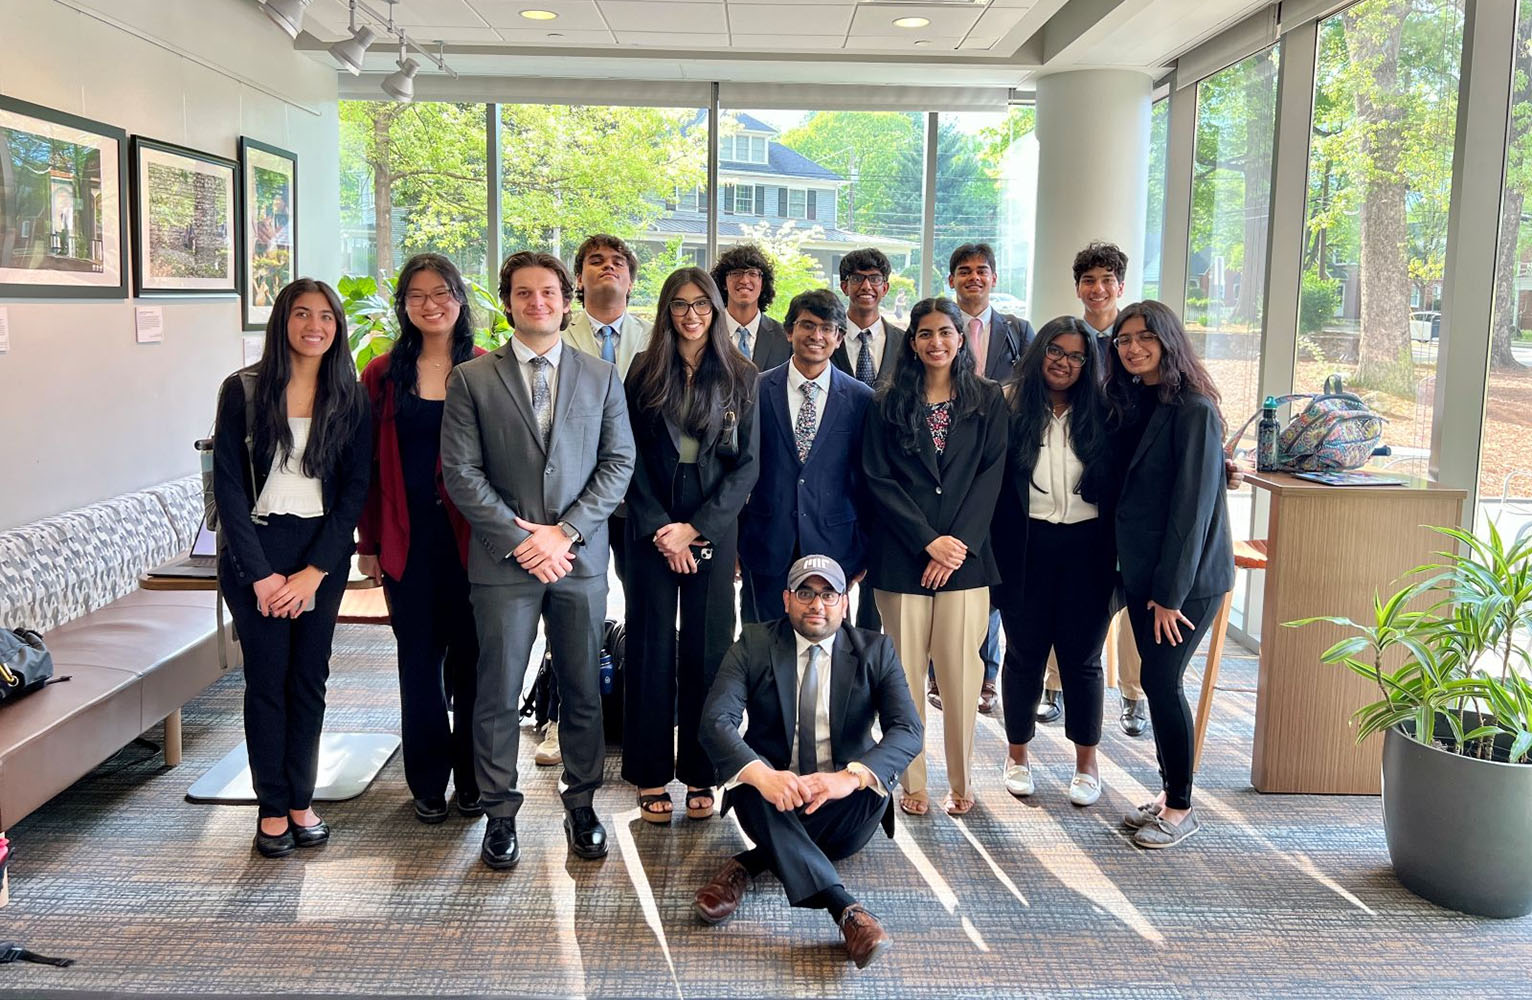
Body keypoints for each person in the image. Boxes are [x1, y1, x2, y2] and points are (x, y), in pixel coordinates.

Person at [441, 250, 635, 870]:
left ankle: (581, 802)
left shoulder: (601, 377)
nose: (538, 303)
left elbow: (618, 464)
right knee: (497, 690)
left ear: (567, 299)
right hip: (503, 563)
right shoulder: (472, 379)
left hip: (577, 560)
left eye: (549, 293)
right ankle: (500, 814)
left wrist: (566, 532)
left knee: (581, 685)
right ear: (507, 302)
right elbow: (461, 473)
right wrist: (522, 539)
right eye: (524, 294)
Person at [695, 554, 923, 970]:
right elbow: (715, 722)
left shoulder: (877, 651)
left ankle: (750, 862)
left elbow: (908, 730)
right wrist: (764, 776)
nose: (816, 604)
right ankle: (846, 910)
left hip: (845, 811)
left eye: (828, 594)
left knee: (873, 784)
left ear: (844, 602)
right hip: (771, 797)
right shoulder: (754, 643)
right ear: (786, 600)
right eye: (804, 592)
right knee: (746, 778)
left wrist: (849, 779)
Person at [213, 278, 371, 858]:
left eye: (326, 316)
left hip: (318, 552)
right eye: (302, 314)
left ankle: (303, 800)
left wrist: (315, 572)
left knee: (309, 679)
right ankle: (271, 806)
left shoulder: (350, 396)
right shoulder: (245, 391)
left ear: (337, 327)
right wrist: (261, 576)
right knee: (267, 680)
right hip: (255, 549)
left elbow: (355, 491)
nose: (315, 326)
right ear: (282, 322)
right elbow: (228, 489)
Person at [623, 266, 760, 824]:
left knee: (709, 649)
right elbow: (623, 452)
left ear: (716, 308)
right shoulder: (642, 369)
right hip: (652, 520)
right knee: (651, 645)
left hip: (712, 522)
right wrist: (662, 527)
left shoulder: (742, 374)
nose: (691, 314)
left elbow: (747, 466)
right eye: (679, 305)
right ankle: (650, 773)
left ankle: (703, 771)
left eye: (701, 304)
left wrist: (697, 528)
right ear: (665, 311)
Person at [861, 297, 1007, 816]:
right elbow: (877, 479)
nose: (937, 342)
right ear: (913, 342)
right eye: (925, 334)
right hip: (903, 558)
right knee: (904, 676)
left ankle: (963, 782)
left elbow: (992, 479)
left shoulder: (989, 400)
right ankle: (911, 783)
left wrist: (955, 544)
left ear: (961, 338)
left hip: (966, 563)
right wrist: (927, 540)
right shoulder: (887, 401)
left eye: (946, 332)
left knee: (960, 674)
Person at [357, 253, 485, 824]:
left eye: (441, 293)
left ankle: (475, 779)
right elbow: (363, 469)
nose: (430, 305)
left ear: (460, 299)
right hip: (407, 539)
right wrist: (369, 545)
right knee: (418, 666)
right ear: (403, 306)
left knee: (476, 665)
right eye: (417, 295)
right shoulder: (380, 375)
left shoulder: (487, 368)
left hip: (475, 543)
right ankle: (428, 780)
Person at [1104, 301, 1233, 849]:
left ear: (1167, 340)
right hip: (1145, 572)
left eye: (1144, 338)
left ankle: (1180, 805)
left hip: (1185, 583)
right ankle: (1167, 793)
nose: (1132, 348)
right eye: (1123, 340)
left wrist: (1169, 595)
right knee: (1158, 683)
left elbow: (1192, 509)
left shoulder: (1195, 408)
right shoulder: (1141, 399)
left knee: (1160, 681)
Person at [536, 234, 653, 768]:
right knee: (570, 616)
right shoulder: (555, 334)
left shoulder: (656, 338)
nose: (608, 268)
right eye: (595, 262)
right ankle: (558, 716)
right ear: (577, 280)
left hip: (638, 500)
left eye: (618, 263)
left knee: (644, 607)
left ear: (631, 278)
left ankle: (641, 717)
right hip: (570, 506)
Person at [990, 317, 1118, 807]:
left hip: (1089, 548)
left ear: (1089, 364)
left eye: (1076, 356)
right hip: (1027, 545)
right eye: (1055, 352)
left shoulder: (1106, 412)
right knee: (1023, 654)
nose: (1064, 363)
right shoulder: (1008, 404)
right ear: (1039, 352)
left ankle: (1087, 763)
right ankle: (1017, 753)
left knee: (1082, 658)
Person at [739, 289, 874, 624]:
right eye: (807, 325)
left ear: (840, 338)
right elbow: (738, 469)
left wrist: (867, 549)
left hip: (836, 545)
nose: (817, 336)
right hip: (766, 542)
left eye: (827, 328)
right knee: (761, 645)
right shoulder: (753, 390)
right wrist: (734, 543)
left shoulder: (862, 400)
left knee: (826, 647)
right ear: (789, 331)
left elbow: (869, 480)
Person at [945, 242, 1033, 713]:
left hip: (1000, 464)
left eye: (982, 271)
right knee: (946, 562)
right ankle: (941, 672)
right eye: (964, 271)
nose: (973, 278)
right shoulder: (938, 326)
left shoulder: (1019, 331)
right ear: (952, 280)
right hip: (947, 464)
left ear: (994, 279)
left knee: (986, 571)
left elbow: (1034, 390)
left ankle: (985, 673)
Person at [830, 248, 903, 390]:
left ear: (885, 288)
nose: (866, 286)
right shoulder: (826, 337)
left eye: (875, 279)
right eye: (857, 278)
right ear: (844, 287)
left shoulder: (903, 341)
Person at [711, 243, 791, 371]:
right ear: (724, 283)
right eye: (736, 273)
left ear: (763, 283)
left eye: (752, 274)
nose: (744, 280)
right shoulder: (707, 332)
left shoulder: (784, 337)